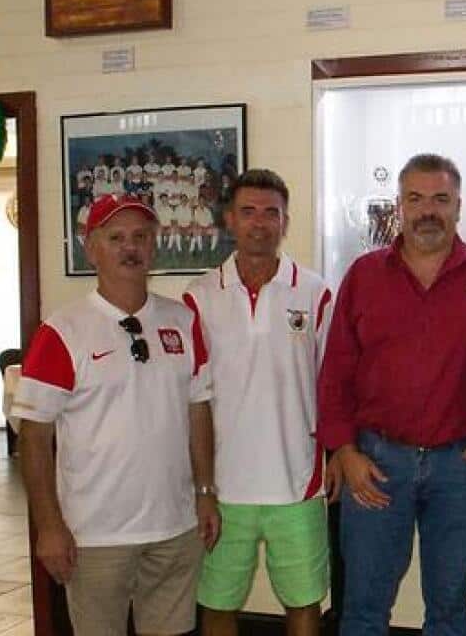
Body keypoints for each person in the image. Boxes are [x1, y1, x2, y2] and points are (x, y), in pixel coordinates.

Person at [318, 153, 466, 636]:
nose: (428, 211)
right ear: (398, 206)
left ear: (458, 206)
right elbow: (337, 370)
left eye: (440, 199)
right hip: (376, 466)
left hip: (460, 468)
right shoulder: (364, 276)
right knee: (363, 608)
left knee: (449, 609)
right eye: (416, 199)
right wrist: (343, 451)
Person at [14, 194, 219, 636]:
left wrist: (205, 491)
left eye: (141, 237)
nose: (131, 247)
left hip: (175, 528)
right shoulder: (62, 331)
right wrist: (49, 527)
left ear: (155, 245)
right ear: (92, 249)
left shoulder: (183, 321)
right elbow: (33, 438)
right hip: (94, 536)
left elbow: (198, 410)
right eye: (116, 237)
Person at [183, 170, 334, 636]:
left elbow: (334, 387)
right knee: (217, 604)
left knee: (304, 603)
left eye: (272, 213)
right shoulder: (198, 297)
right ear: (229, 219)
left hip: (298, 485)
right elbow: (196, 401)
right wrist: (204, 488)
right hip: (226, 490)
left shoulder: (316, 293)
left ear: (286, 222)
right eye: (248, 211)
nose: (260, 223)